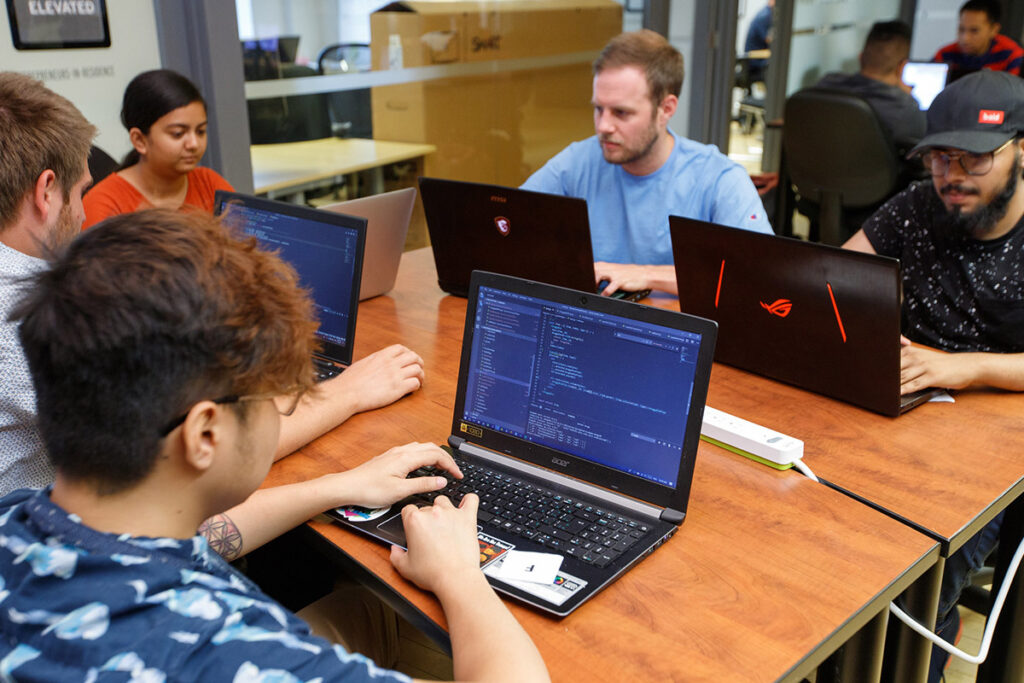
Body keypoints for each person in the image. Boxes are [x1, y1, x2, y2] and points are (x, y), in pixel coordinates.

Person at [0, 208, 550, 682]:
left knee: (366, 610)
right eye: (280, 395)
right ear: (205, 434)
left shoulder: (20, 517)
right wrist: (460, 573)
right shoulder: (240, 655)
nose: (285, 406)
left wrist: (338, 485)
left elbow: (199, 537)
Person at [0, 71, 428, 560]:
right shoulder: (28, 315)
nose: (81, 214)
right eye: (80, 193)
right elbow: (204, 459)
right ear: (46, 191)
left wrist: (335, 486)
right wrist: (346, 394)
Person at [843, 70, 1024, 681]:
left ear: (1021, 151)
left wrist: (962, 368)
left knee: (915, 575)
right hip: (902, 412)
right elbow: (836, 278)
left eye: (973, 158)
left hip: (994, 444)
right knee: (828, 541)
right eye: (940, 158)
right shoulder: (918, 207)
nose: (952, 176)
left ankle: (909, 662)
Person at [521, 30, 773, 297]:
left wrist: (647, 275)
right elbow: (508, 228)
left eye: (621, 112)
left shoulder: (719, 179)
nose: (604, 126)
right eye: (598, 109)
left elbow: (760, 278)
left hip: (673, 333)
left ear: (666, 109)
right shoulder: (577, 161)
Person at [82, 69, 233, 228]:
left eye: (200, 131)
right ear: (139, 140)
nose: (194, 144)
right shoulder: (103, 204)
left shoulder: (209, 183)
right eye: (178, 134)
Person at [816, 20, 926, 153]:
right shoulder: (906, 109)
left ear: (861, 57)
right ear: (902, 66)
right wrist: (905, 97)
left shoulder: (824, 86)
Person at [933, 0, 1023, 80]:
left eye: (974, 31)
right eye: (961, 29)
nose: (965, 39)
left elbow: (1014, 96)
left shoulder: (1012, 56)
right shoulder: (944, 55)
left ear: (994, 30)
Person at [744, 0, 774, 82]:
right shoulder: (764, 16)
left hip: (759, 57)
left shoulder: (768, 13)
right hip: (755, 60)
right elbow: (769, 40)